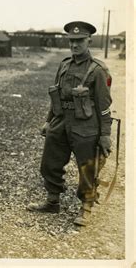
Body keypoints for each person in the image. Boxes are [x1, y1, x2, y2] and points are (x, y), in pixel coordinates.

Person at [27, 21, 112, 226]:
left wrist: (105, 134)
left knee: (87, 167)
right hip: (61, 121)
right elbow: (56, 95)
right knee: (49, 163)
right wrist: (48, 122)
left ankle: (86, 207)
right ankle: (52, 201)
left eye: (79, 41)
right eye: (72, 41)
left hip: (86, 125)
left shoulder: (98, 70)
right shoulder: (64, 64)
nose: (75, 45)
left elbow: (104, 105)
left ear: (88, 41)